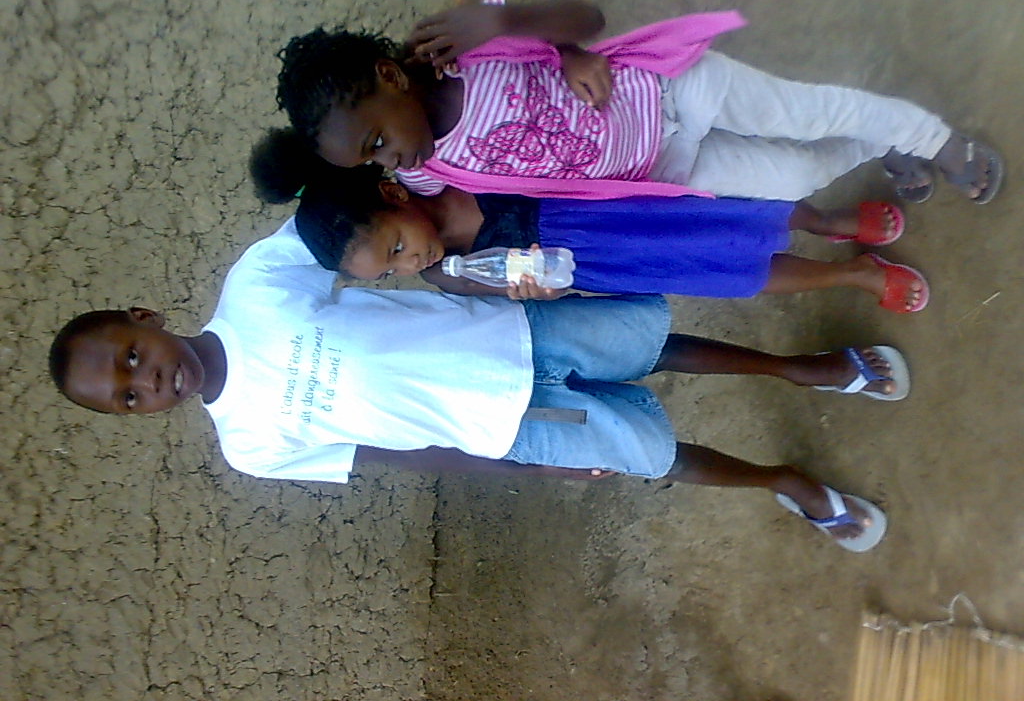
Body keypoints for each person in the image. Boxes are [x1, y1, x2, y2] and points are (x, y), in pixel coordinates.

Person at [48, 215, 903, 552]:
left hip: (511, 328)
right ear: (138, 415)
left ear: (144, 316)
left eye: (131, 355)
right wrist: (519, 467)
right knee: (651, 455)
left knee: (654, 344)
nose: (147, 380)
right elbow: (388, 457)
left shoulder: (257, 282)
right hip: (518, 426)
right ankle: (780, 481)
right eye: (129, 396)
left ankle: (799, 369)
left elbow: (346, 216)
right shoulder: (250, 446)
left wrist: (457, 259)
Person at [275, 0, 1003, 206]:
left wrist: (521, 27)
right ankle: (885, 141)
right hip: (662, 167)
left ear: (391, 77)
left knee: (808, 113)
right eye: (373, 162)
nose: (390, 160)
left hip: (673, 90)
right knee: (799, 178)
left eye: (376, 140)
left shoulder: (469, 46)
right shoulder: (427, 175)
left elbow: (587, 18)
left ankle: (935, 139)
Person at [251, 128, 928, 313]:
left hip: (612, 204)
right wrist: (534, 291)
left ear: (392, 194)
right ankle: (856, 275)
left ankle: (829, 220)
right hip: (611, 260)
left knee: (739, 210)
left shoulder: (447, 169)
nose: (411, 264)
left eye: (397, 246)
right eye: (392, 272)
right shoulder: (450, 275)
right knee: (732, 271)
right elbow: (539, 292)